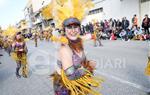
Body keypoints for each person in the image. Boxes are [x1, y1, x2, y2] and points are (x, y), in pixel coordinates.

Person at [46, 0, 104, 94]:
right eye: (69, 27)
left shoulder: (78, 41)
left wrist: (87, 62)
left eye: (76, 26)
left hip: (79, 84)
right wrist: (89, 67)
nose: (73, 30)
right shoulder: (65, 48)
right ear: (64, 30)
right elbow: (71, 75)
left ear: (79, 28)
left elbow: (85, 40)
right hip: (67, 88)